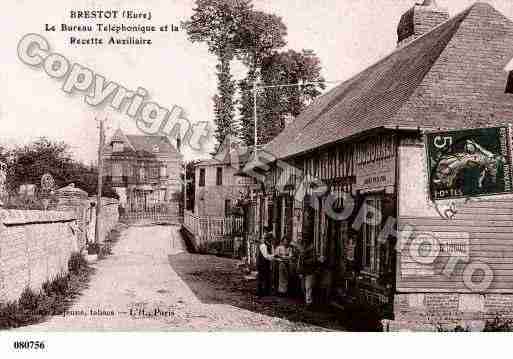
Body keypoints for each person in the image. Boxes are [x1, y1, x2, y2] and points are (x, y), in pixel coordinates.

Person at [296, 240, 319, 307]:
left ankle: (308, 302)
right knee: (303, 287)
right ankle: (307, 301)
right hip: (303, 271)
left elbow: (314, 260)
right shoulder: (301, 250)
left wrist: (305, 261)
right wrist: (299, 271)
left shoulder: (312, 249)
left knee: (308, 287)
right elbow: (299, 262)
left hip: (310, 271)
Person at [256, 227, 274, 296]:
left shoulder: (270, 245)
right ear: (267, 239)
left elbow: (270, 254)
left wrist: (273, 256)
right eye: (270, 239)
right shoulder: (263, 245)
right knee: (261, 277)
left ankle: (266, 291)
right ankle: (260, 291)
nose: (271, 240)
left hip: (266, 263)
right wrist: (273, 257)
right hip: (262, 264)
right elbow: (266, 256)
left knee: (267, 277)